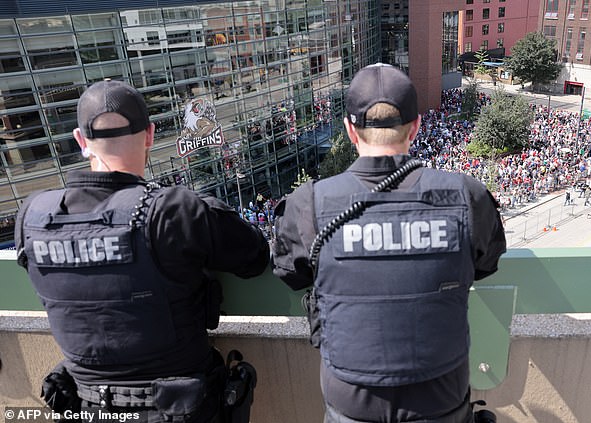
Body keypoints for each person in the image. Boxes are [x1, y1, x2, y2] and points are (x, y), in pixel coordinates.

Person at [14, 80, 270, 422]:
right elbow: (255, 257)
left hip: (87, 407)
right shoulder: (174, 211)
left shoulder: (32, 216)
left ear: (81, 141)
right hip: (178, 408)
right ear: (149, 135)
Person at [271, 63, 506, 423]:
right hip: (442, 405)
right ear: (415, 126)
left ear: (350, 130)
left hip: (350, 408)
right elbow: (486, 263)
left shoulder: (309, 205)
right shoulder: (466, 196)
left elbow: (290, 274)